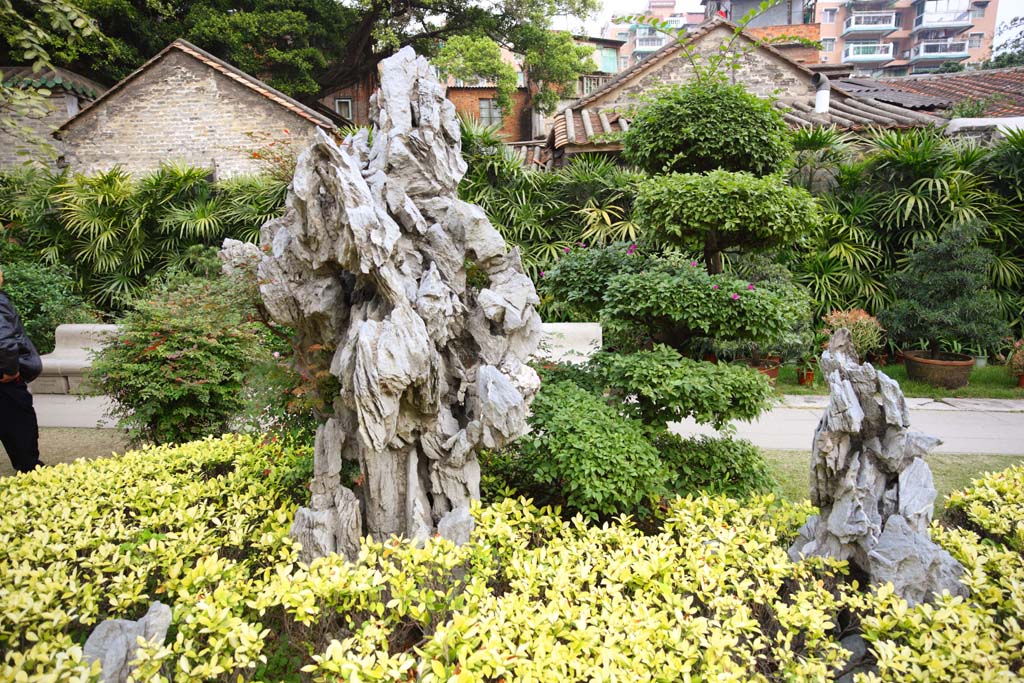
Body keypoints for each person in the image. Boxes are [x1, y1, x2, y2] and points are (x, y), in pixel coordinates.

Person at [0, 267, 43, 473]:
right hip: (5, 377)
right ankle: (30, 470)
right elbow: (4, 340)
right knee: (19, 423)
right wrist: (10, 370)